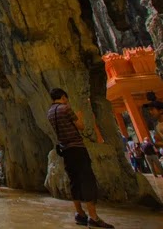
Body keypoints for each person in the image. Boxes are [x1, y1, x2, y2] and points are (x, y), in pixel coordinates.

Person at [47, 88, 114, 228]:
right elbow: (80, 126)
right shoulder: (65, 108)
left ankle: (79, 213)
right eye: (66, 97)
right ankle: (93, 217)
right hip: (77, 148)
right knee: (87, 179)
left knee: (74, 181)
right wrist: (79, 116)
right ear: (63, 97)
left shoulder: (50, 113)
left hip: (65, 150)